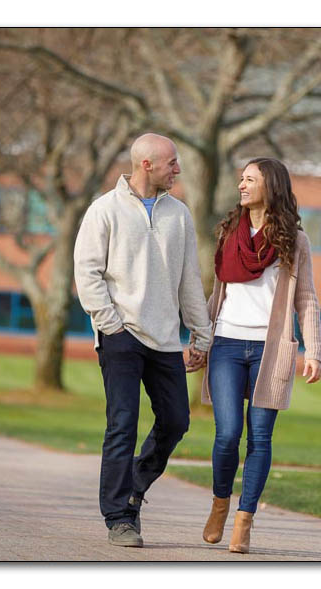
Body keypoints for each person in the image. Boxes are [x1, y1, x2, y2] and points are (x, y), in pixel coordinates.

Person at [74, 133, 210, 548]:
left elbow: (189, 279)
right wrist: (109, 323)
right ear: (146, 164)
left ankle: (133, 483)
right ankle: (119, 517)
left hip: (165, 339)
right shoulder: (105, 210)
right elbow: (87, 272)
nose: (178, 169)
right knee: (123, 425)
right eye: (171, 162)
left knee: (176, 421)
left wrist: (200, 334)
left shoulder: (180, 214)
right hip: (121, 336)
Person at [186, 157, 321, 554]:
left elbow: (306, 297)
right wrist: (201, 339)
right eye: (241, 179)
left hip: (271, 348)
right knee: (228, 434)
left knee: (259, 438)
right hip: (227, 342)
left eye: (250, 180)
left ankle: (245, 520)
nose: (241, 185)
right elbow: (218, 292)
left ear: (271, 186)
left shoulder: (294, 240)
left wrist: (314, 350)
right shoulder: (230, 231)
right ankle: (219, 503)